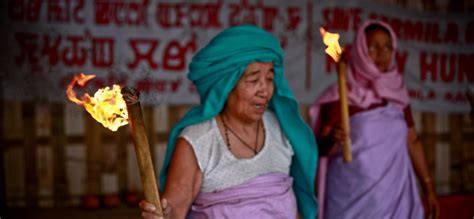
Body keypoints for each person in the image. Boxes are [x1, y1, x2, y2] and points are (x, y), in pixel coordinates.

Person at [140, 25, 318, 219]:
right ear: (226, 85)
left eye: (269, 78)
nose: (265, 91)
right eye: (253, 80)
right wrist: (163, 213)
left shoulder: (283, 129)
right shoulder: (198, 140)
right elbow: (175, 209)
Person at [309, 20, 440, 219]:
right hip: (352, 202)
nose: (382, 53)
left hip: (396, 200)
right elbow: (321, 149)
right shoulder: (341, 95)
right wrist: (334, 138)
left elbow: (413, 141)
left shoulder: (397, 92)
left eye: (387, 47)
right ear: (361, 50)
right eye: (373, 47)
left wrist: (429, 187)